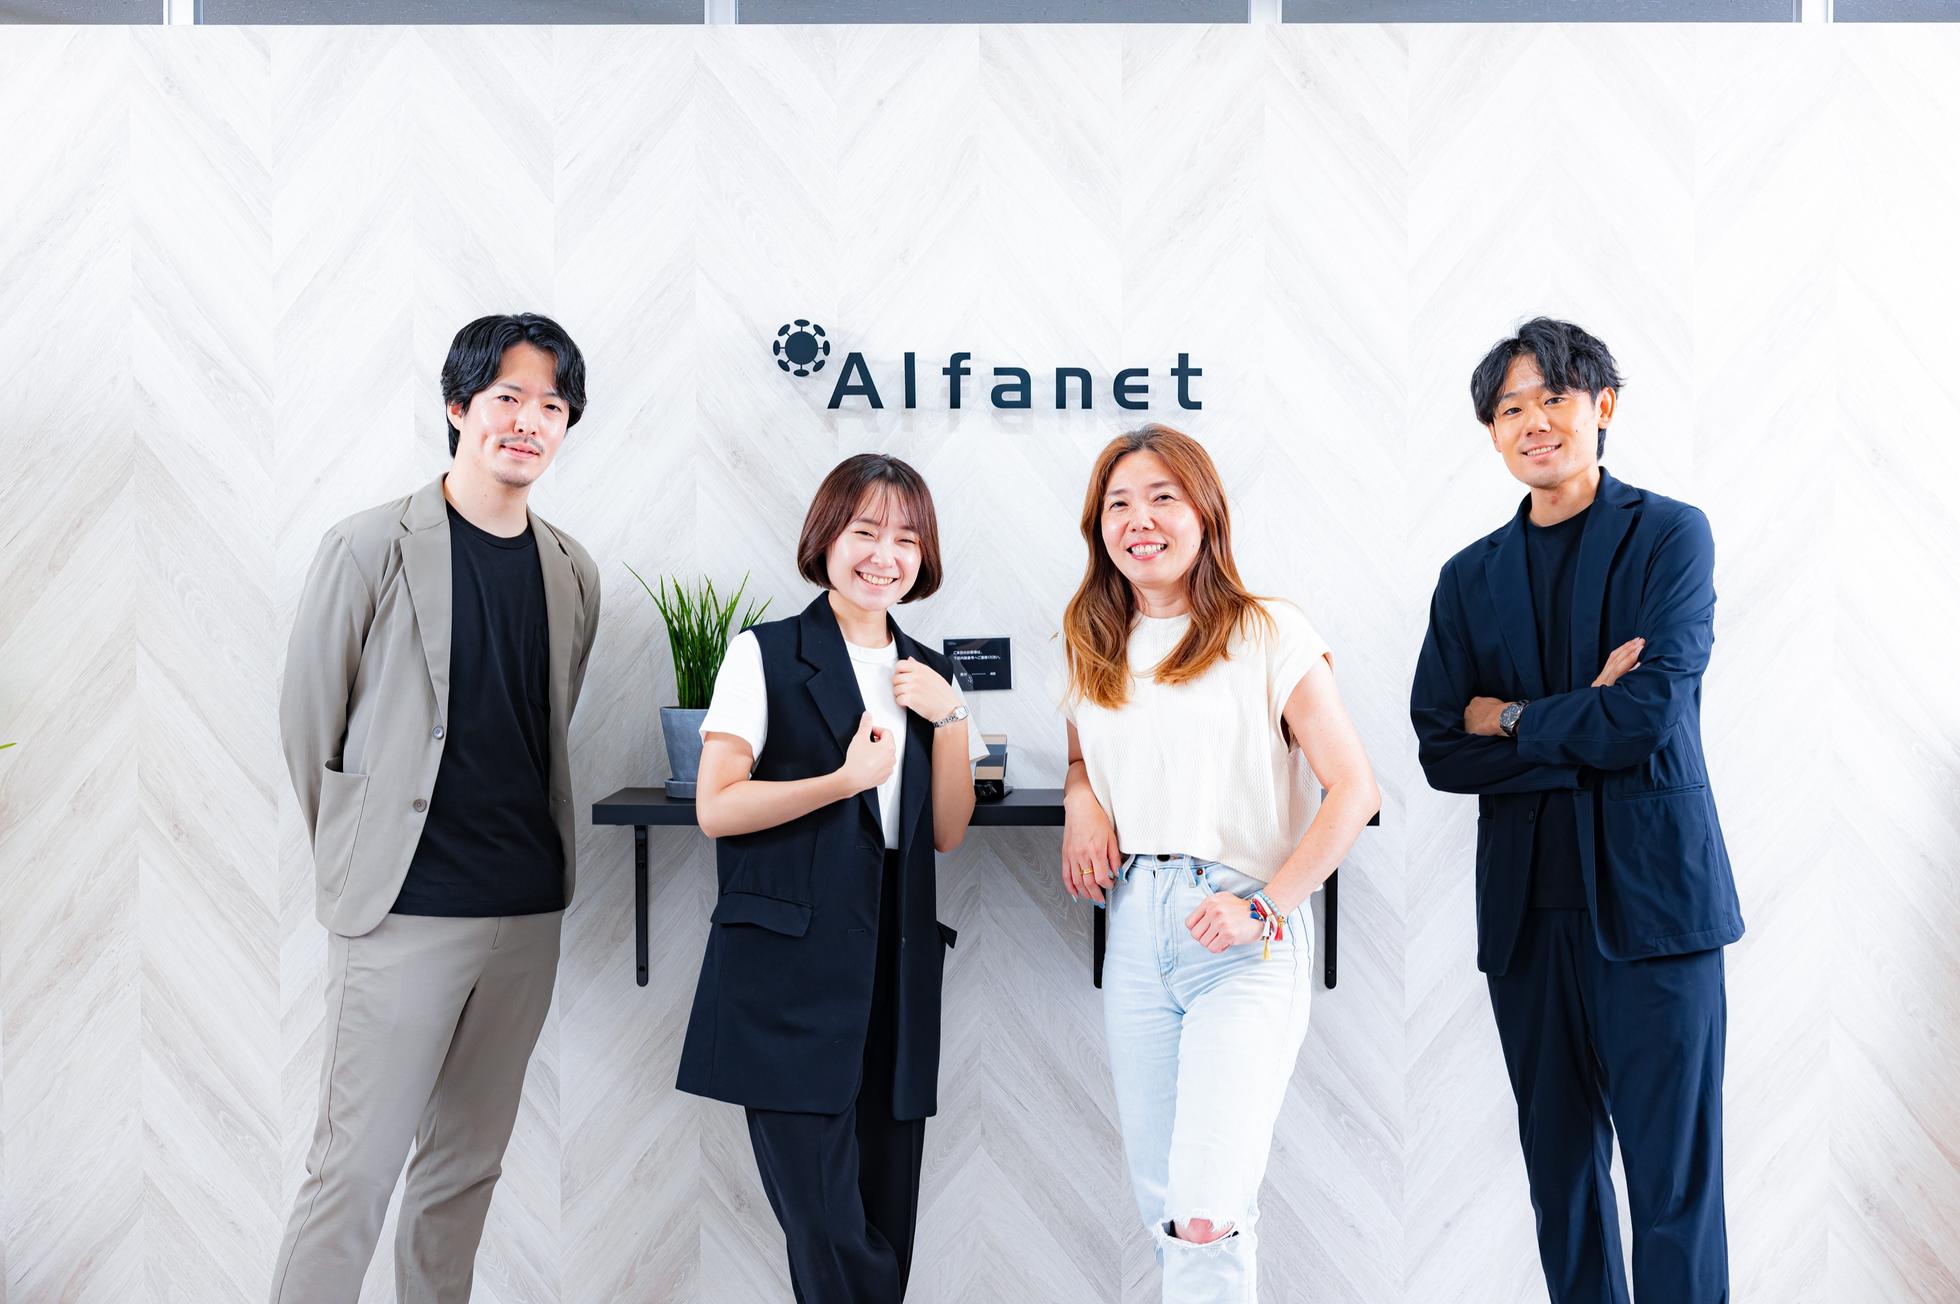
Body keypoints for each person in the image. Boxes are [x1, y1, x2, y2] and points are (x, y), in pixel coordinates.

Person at [270, 313, 602, 1304]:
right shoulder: (369, 544)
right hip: (402, 912)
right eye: (508, 397)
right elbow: (309, 724)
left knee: (464, 1173)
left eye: (552, 406)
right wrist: (363, 857)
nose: (530, 421)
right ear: (459, 406)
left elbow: (548, 723)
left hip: (526, 912)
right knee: (352, 1174)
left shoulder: (572, 569)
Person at [1410, 317, 1742, 1303]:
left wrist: (1510, 715)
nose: (1534, 422)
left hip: (1656, 912)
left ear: (1602, 405)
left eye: (1552, 397)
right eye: (1510, 407)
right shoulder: (1469, 577)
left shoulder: (1670, 535)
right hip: (1529, 920)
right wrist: (1577, 716)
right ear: (1491, 432)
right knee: (1562, 1186)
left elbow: (1642, 718)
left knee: (1673, 1189)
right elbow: (1441, 749)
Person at [1059, 423, 1379, 1303]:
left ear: (1205, 512)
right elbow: (1084, 758)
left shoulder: (1269, 631)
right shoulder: (1092, 637)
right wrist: (1083, 803)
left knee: (1206, 1213)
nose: (1140, 519)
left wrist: (1266, 907)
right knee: (1166, 1208)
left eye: (1163, 497)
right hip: (1136, 926)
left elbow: (1353, 789)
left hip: (1241, 932)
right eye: (1119, 504)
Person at [677, 453, 987, 1304]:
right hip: (791, 974)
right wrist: (843, 781)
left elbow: (947, 831)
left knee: (886, 1220)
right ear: (826, 538)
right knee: (827, 1227)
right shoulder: (766, 654)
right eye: (866, 532)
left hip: (896, 965)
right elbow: (716, 807)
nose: (886, 555)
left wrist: (953, 715)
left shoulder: (928, 672)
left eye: (907, 539)